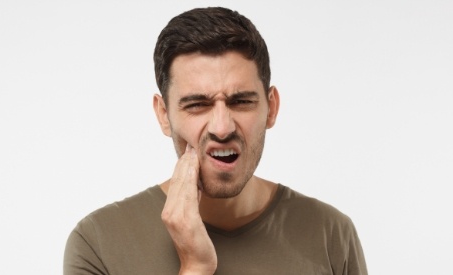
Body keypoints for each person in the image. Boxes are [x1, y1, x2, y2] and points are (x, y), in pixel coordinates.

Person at [64, 7, 367, 275]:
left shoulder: (331, 233)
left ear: (271, 108)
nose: (222, 128)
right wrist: (195, 267)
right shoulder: (99, 242)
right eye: (197, 104)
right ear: (164, 115)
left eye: (241, 101)